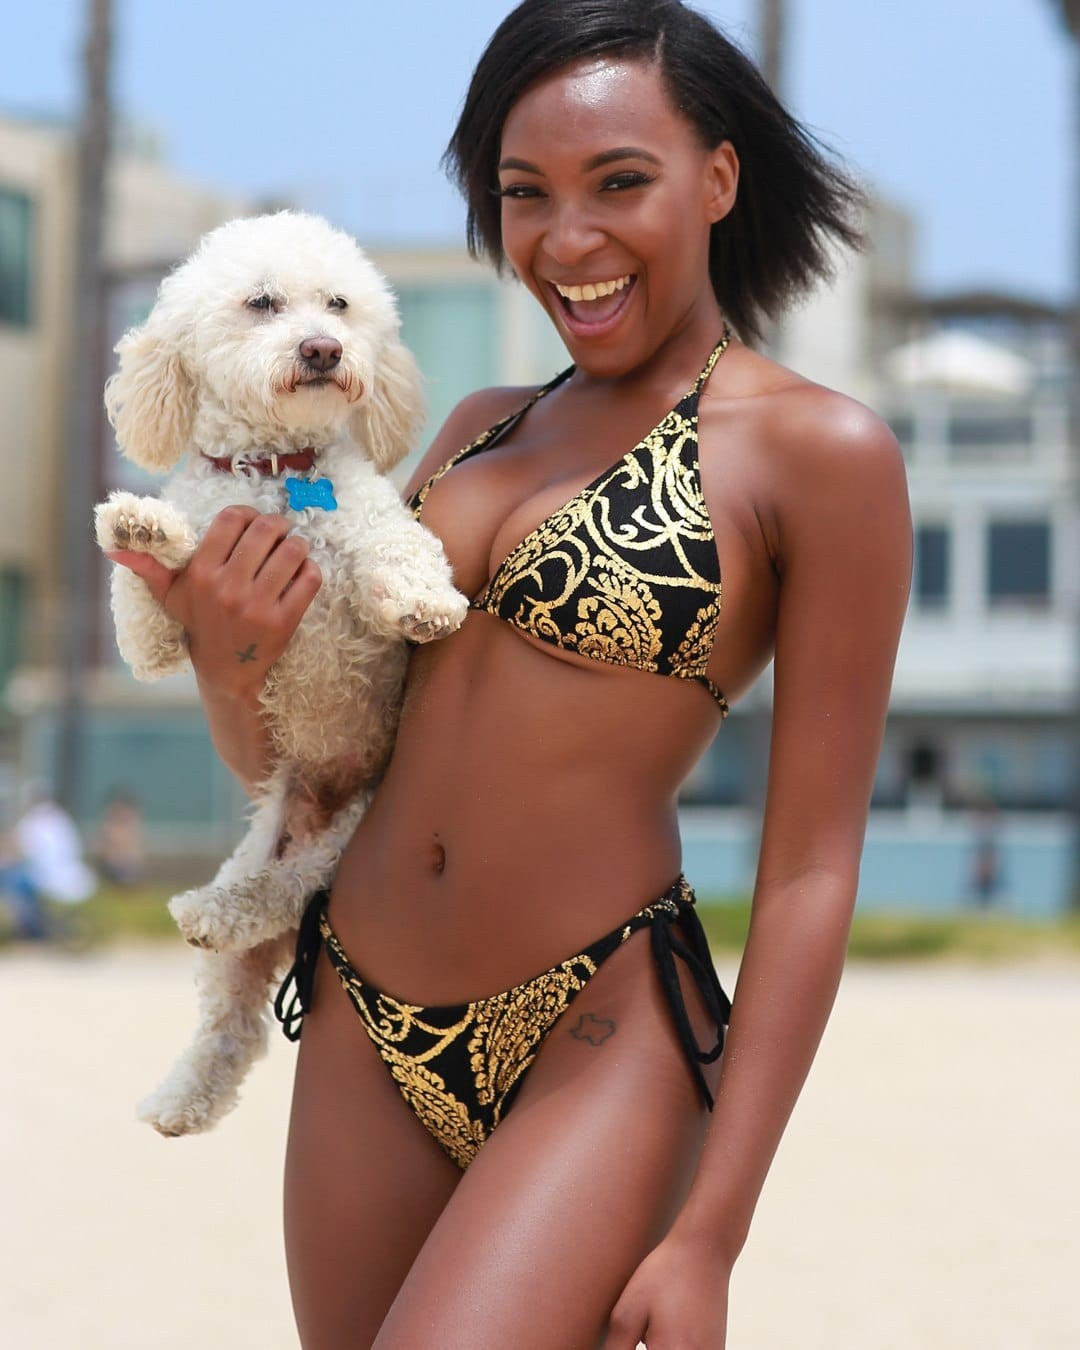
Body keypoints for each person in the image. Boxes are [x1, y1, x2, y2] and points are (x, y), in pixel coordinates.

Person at [107, 2, 911, 1344]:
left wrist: (711, 1232)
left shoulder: (816, 453)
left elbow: (813, 868)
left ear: (718, 179)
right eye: (525, 192)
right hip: (359, 1010)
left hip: (598, 1023)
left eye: (620, 183)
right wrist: (230, 666)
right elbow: (318, 761)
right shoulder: (480, 429)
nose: (566, 239)